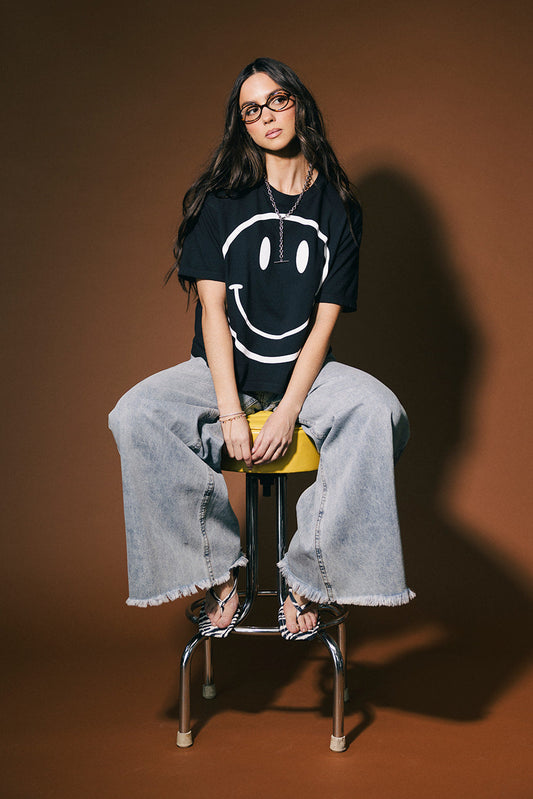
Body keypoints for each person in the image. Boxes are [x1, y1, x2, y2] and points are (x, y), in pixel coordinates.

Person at [109, 57, 414, 641]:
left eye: (277, 100)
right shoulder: (217, 201)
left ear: (299, 104)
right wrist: (231, 411)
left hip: (304, 373)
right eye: (252, 109)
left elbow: (324, 327)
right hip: (222, 369)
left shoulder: (341, 207)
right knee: (137, 414)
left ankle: (308, 578)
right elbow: (214, 312)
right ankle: (219, 573)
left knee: (379, 411)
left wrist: (288, 410)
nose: (268, 115)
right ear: (242, 126)